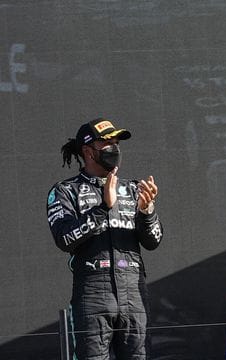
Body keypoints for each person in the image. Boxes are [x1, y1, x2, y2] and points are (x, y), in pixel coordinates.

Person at [46, 118, 163, 359]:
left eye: (117, 142)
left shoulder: (132, 189)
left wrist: (147, 211)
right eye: (107, 143)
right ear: (88, 151)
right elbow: (64, 239)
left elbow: (153, 241)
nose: (115, 148)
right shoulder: (66, 191)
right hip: (92, 292)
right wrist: (103, 207)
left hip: (134, 291)